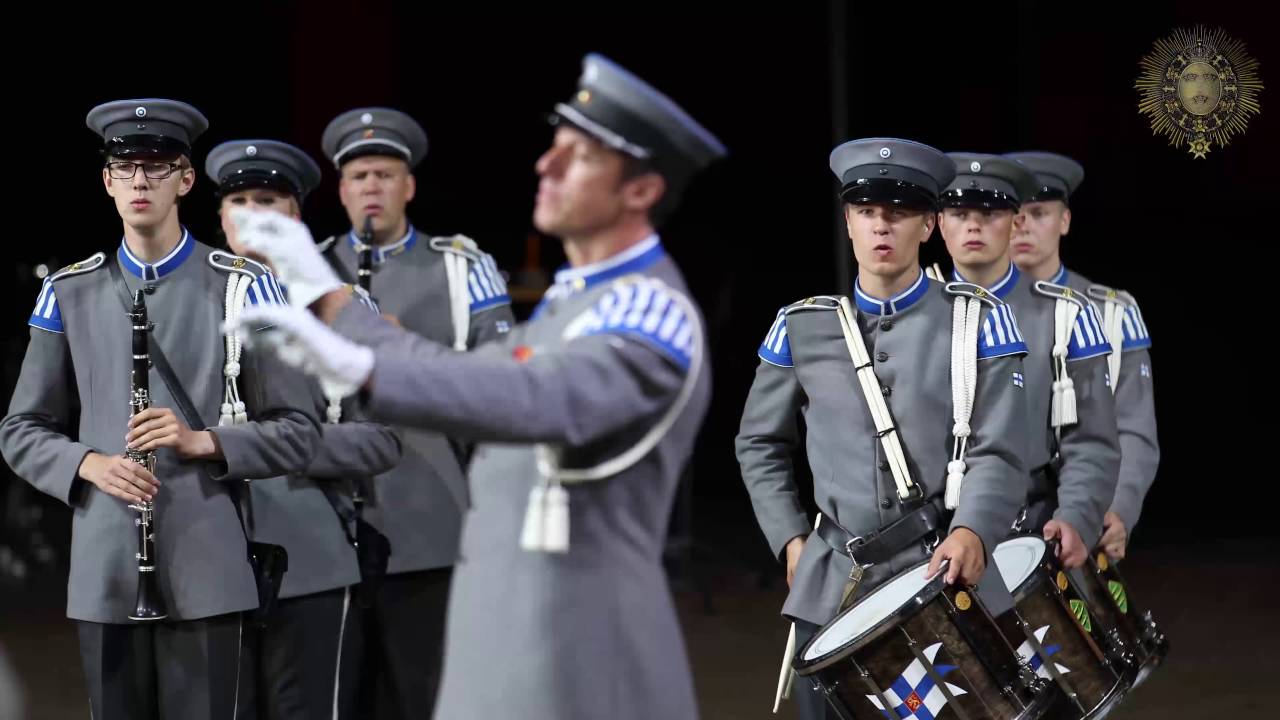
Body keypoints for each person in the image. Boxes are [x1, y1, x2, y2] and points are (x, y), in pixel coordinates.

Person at [0, 99, 320, 720]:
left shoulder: (244, 285)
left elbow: (300, 431)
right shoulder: (67, 289)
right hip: (106, 571)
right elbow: (20, 429)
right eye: (127, 168)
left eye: (157, 166)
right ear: (107, 182)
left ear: (186, 179)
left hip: (209, 568)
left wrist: (208, 442)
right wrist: (87, 463)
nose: (141, 180)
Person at [736, 138, 1031, 720]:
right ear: (848, 221)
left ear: (928, 225)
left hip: (944, 573)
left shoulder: (978, 320)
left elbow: (1000, 449)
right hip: (834, 582)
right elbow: (759, 443)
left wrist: (974, 528)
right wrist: (790, 538)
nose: (881, 227)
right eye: (867, 213)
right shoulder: (801, 327)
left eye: (898, 215)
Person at [205, 138, 402, 720]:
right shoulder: (184, 296)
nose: (253, 213)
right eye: (238, 199)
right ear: (220, 216)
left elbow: (381, 438)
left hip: (312, 548)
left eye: (269, 199)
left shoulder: (344, 307)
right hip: (205, 556)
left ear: (295, 217)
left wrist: (266, 446)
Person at [937, 153, 1119, 567]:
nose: (973, 225)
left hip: (1032, 531)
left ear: (1014, 222)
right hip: (929, 535)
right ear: (939, 223)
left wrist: (1076, 516)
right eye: (959, 212)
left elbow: (1092, 441)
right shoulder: (910, 317)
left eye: (989, 212)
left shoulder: (1066, 314)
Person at [1004, 151, 1158, 561]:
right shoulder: (969, 311)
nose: (1023, 226)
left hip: (1084, 522)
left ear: (1065, 221)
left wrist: (1117, 507)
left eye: (1039, 213)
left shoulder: (1112, 312)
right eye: (1013, 213)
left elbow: (1134, 430)